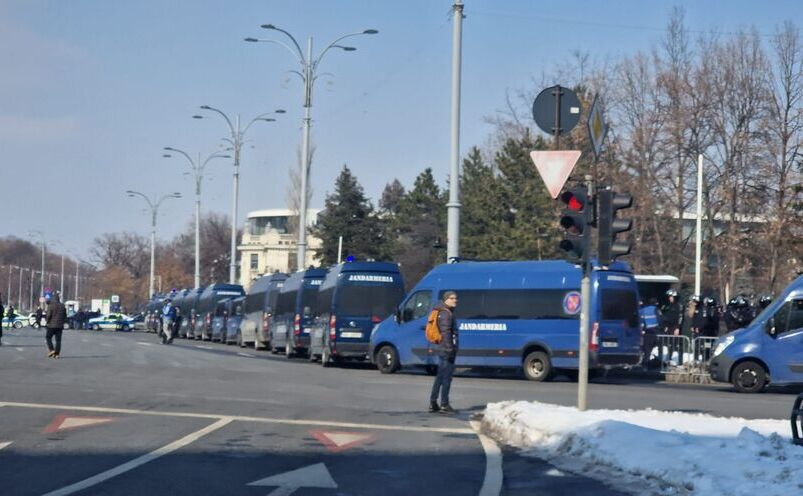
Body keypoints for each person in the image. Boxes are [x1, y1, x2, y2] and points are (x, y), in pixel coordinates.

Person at [429, 291, 459, 415]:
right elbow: (446, 332)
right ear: (446, 300)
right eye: (452, 298)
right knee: (447, 378)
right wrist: (449, 349)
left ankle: (433, 402)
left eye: (456, 298)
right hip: (447, 350)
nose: (455, 300)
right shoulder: (446, 314)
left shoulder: (444, 312)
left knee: (440, 377)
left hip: (443, 349)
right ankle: (444, 404)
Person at [639, 298, 661, 369]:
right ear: (655, 303)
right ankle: (649, 363)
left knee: (646, 348)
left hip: (645, 331)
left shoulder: (643, 310)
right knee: (654, 347)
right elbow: (659, 319)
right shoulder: (655, 309)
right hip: (654, 331)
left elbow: (641, 320)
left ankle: (644, 362)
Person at [45, 292, 67, 358]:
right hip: (60, 326)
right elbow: (65, 316)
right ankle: (57, 354)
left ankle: (51, 350)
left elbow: (48, 315)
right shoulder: (62, 306)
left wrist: (47, 321)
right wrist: (63, 322)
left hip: (51, 325)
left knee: (48, 337)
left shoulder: (51, 305)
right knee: (58, 340)